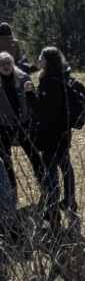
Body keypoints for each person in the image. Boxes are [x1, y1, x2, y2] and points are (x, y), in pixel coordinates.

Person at [26, 47, 76, 231]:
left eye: (40, 57)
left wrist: (30, 94)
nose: (38, 59)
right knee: (66, 168)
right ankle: (71, 201)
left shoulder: (48, 83)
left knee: (51, 177)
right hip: (63, 135)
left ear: (46, 61)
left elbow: (41, 111)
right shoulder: (63, 77)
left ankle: (52, 217)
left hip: (50, 138)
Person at [0, 52, 30, 202]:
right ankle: (12, 196)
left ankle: (47, 190)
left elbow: (31, 100)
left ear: (12, 64)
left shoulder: (22, 78)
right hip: (3, 127)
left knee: (35, 157)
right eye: (2, 64)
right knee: (6, 162)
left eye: (8, 63)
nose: (5, 67)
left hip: (23, 124)